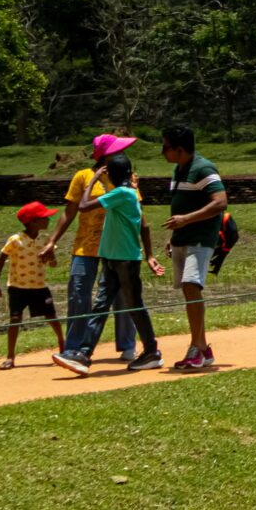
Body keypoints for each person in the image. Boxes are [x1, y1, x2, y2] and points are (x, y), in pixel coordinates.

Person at [54, 152, 160, 375]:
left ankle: (151, 351)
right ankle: (84, 354)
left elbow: (83, 205)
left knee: (134, 306)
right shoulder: (121, 193)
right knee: (101, 305)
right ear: (130, 174)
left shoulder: (123, 193)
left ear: (110, 174)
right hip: (111, 258)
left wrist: (93, 179)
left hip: (126, 260)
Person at [44, 134, 137, 365]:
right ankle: (73, 347)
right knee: (78, 295)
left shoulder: (126, 178)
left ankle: (127, 345)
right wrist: (52, 240)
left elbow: (137, 213)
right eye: (117, 150)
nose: (121, 153)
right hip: (86, 246)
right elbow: (70, 211)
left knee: (122, 296)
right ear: (104, 155)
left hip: (117, 247)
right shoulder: (83, 176)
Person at [160, 124, 229, 373]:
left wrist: (186, 220)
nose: (162, 152)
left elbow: (220, 201)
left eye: (165, 147)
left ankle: (196, 347)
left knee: (192, 286)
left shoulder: (203, 168)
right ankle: (203, 349)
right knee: (189, 291)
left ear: (179, 149)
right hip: (183, 238)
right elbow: (182, 206)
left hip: (199, 239)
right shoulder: (179, 170)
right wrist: (175, 233)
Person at [0, 202, 63, 369]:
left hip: (39, 286)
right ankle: (10, 357)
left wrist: (50, 257)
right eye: (44, 218)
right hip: (17, 287)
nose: (48, 220)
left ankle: (62, 346)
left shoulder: (45, 240)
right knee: (15, 319)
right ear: (32, 222)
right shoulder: (15, 240)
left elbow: (53, 264)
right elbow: (1, 260)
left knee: (51, 316)